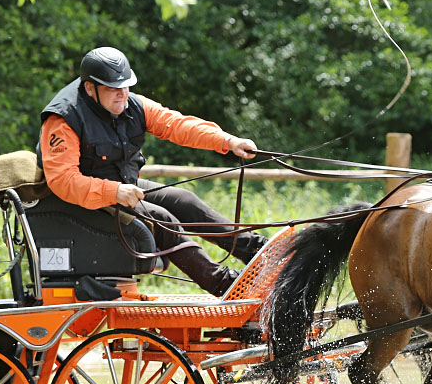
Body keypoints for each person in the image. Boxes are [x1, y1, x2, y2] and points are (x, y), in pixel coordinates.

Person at [36, 46, 268, 296]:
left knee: (183, 200)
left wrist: (227, 141)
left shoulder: (132, 104)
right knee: (161, 219)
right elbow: (63, 181)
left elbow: (177, 124)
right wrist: (114, 191)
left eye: (125, 86)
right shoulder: (63, 119)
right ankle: (227, 286)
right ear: (91, 88)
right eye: (113, 89)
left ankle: (260, 252)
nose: (122, 95)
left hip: (121, 185)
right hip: (81, 200)